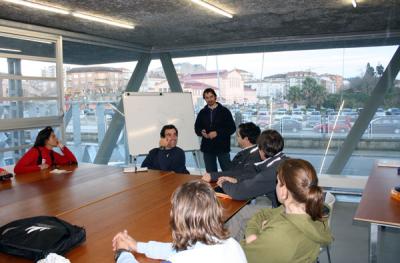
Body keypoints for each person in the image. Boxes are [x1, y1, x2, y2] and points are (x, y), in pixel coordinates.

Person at [112, 180, 247, 263]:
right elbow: (180, 250)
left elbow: (182, 255)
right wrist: (137, 246)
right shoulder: (232, 244)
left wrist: (122, 254)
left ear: (178, 218)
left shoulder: (183, 260)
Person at [241, 159, 333, 263]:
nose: (276, 185)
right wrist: (254, 234)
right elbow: (264, 213)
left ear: (284, 191)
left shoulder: (280, 237)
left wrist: (256, 234)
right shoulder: (311, 208)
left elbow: (241, 256)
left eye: (278, 182)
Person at [194, 88, 236, 172]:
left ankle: (229, 186)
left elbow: (232, 128)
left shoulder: (225, 111)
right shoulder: (202, 112)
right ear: (204, 99)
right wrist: (201, 132)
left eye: (211, 96)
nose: (209, 99)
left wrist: (217, 133)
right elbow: (197, 128)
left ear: (215, 97)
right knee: (210, 174)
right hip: (207, 148)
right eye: (207, 97)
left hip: (222, 147)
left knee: (227, 172)